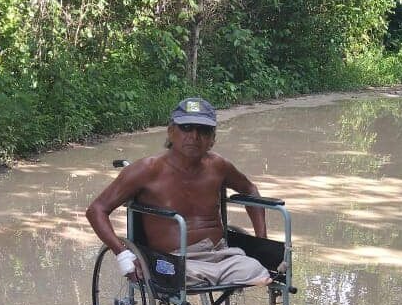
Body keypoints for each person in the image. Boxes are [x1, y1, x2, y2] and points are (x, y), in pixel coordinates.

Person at [85, 97, 272, 286]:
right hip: (173, 261)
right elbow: (96, 210)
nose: (194, 136)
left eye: (203, 130)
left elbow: (249, 189)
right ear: (171, 131)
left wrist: (262, 240)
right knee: (180, 275)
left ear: (213, 139)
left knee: (260, 270)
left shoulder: (218, 166)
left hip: (220, 256)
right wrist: (122, 253)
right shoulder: (146, 170)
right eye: (187, 128)